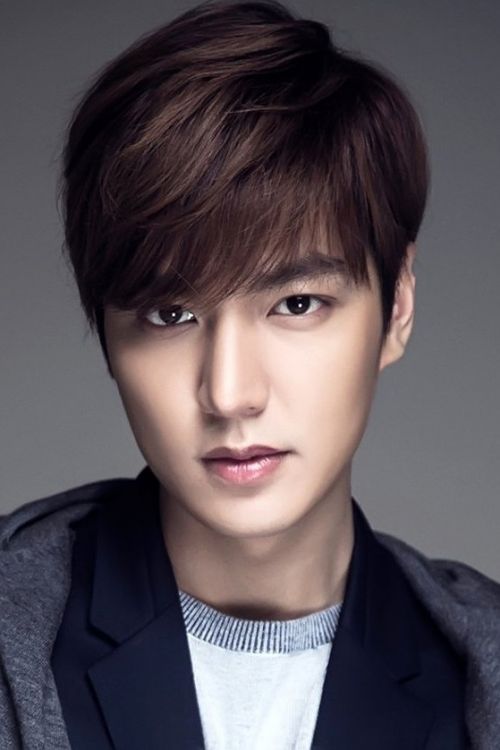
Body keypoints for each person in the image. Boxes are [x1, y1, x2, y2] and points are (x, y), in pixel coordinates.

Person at [0, 1, 498, 748]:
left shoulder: (480, 677)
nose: (230, 394)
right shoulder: (17, 633)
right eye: (171, 314)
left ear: (397, 305)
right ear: (105, 332)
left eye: (296, 304)